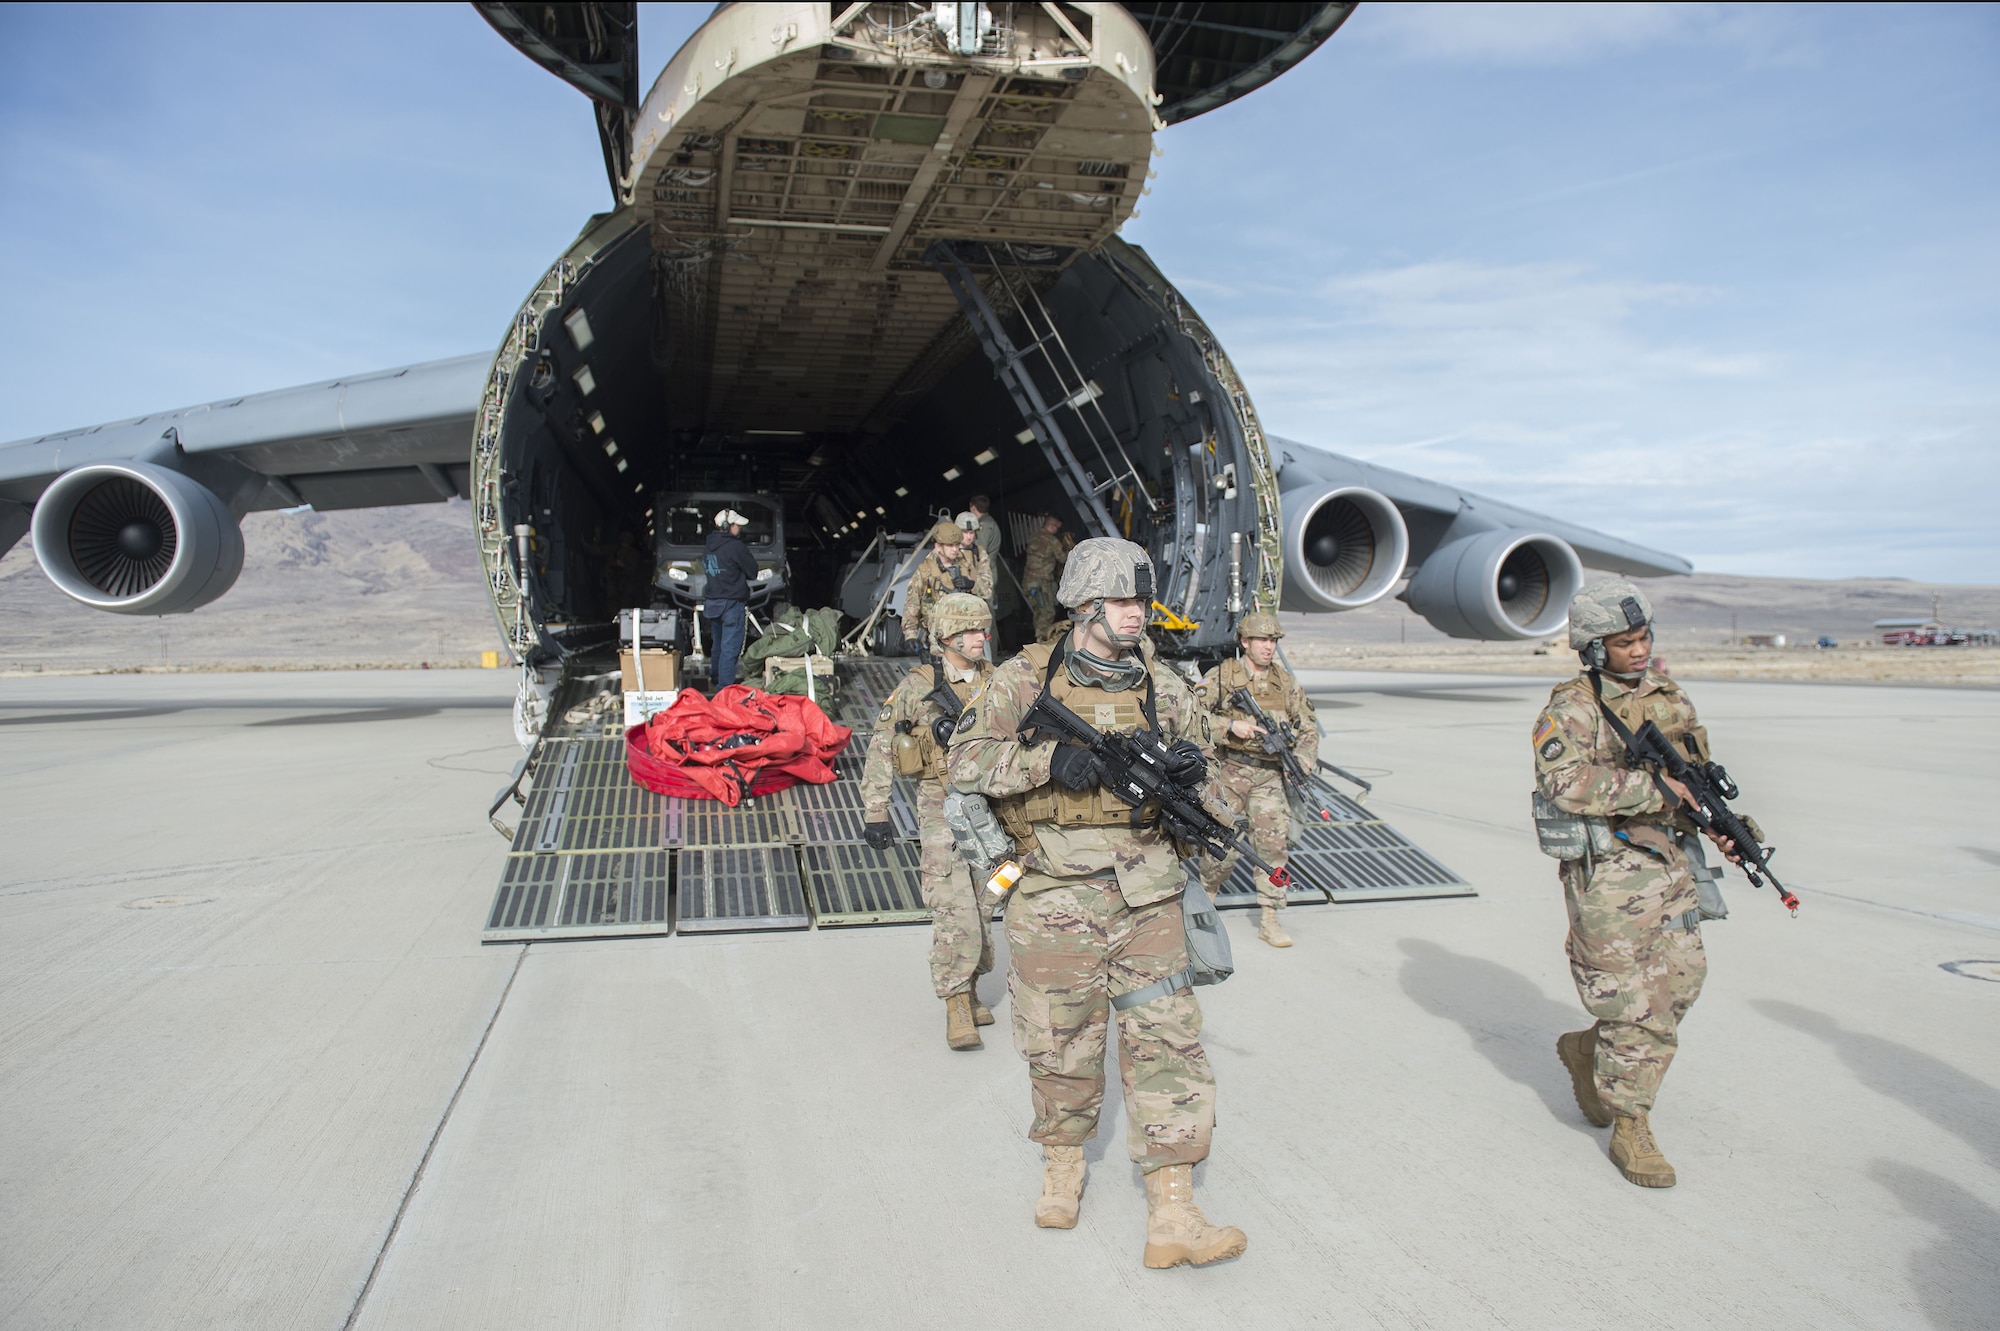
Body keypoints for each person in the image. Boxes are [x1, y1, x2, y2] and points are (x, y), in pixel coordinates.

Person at [947, 537, 1247, 1270]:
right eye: (1120, 601)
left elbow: (1201, 760)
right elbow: (965, 762)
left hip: (1147, 891)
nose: (1135, 613)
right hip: (1051, 891)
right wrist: (1052, 759)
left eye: (1141, 600)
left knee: (1168, 1039)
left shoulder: (1164, 684)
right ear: (1083, 604)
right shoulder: (1022, 678)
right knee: (1060, 1041)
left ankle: (1174, 1205)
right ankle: (1064, 1162)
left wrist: (1191, 765)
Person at [1534, 579, 1737, 1189]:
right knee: (1632, 1004)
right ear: (1594, 650)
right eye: (1625, 643)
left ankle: (1589, 1053)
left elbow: (1697, 775)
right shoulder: (1570, 707)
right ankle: (1632, 1121)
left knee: (1678, 989)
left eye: (1645, 637)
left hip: (1672, 868)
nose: (1640, 650)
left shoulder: (1669, 698)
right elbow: (1564, 782)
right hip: (1610, 876)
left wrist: (1728, 824)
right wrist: (1654, 792)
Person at [857, 593, 997, 1049]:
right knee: (951, 903)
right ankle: (955, 998)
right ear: (947, 637)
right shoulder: (918, 687)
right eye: (973, 631)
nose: (983, 637)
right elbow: (882, 744)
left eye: (984, 629)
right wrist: (876, 810)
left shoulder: (999, 681)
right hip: (941, 802)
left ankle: (973, 985)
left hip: (992, 805)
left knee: (985, 899)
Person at [1197, 611, 1318, 948]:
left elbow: (1308, 724)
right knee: (1222, 846)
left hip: (1269, 776)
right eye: (1262, 640)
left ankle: (1270, 918)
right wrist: (1229, 727)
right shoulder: (1222, 677)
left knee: (1274, 847)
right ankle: (1204, 900)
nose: (1269, 647)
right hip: (1230, 772)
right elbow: (1192, 715)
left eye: (1273, 641)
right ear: (1245, 642)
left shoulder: (1285, 682)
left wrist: (1305, 758)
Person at [905, 520, 987, 649]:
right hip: (936, 636)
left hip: (965, 633)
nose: (955, 550)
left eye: (957, 545)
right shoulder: (925, 571)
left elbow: (987, 593)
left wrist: (972, 585)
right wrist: (910, 635)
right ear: (938, 547)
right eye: (950, 546)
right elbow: (912, 605)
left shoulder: (966, 565)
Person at [702, 508, 759, 689]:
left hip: (713, 603)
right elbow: (753, 572)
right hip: (731, 604)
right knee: (730, 648)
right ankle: (724, 689)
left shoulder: (708, 546)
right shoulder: (736, 547)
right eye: (736, 525)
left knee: (717, 644)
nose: (739, 529)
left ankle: (715, 676)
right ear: (728, 526)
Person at [1022, 515, 1067, 642]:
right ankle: (1042, 641)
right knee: (1047, 612)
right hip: (1042, 582)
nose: (1057, 531)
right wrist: (1071, 550)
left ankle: (1039, 638)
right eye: (1056, 528)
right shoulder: (1052, 541)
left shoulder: (1033, 536)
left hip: (1028, 581)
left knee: (1038, 611)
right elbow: (1063, 558)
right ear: (1051, 526)